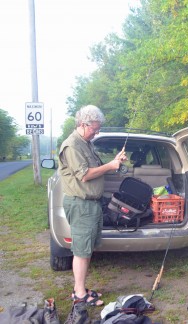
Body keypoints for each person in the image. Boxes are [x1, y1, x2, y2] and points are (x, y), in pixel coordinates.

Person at [58, 105, 127, 307]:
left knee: (86, 248)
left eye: (98, 129)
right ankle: (79, 293)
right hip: (81, 205)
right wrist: (111, 166)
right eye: (94, 129)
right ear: (82, 124)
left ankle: (81, 289)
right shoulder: (72, 146)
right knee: (80, 249)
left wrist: (114, 162)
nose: (96, 133)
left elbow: (94, 168)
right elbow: (85, 174)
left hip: (91, 205)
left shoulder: (86, 143)